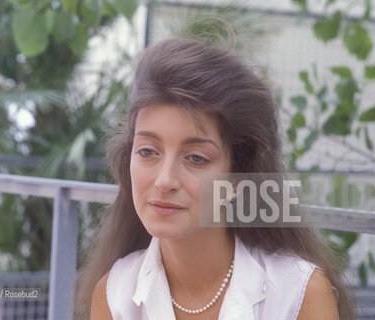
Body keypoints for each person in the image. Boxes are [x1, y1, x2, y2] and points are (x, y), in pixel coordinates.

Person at [75, 36, 355, 319]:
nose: (165, 180)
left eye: (196, 158)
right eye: (148, 151)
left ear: (237, 178)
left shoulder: (298, 295)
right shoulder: (115, 295)